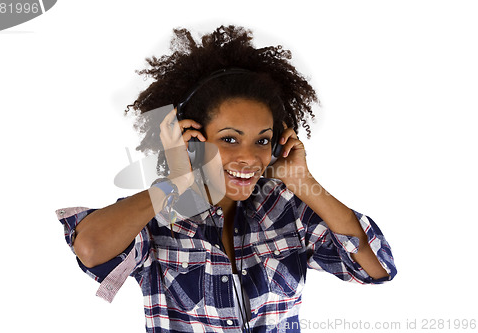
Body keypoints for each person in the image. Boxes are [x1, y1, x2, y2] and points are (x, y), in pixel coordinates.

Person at [55, 25, 396, 333]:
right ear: (192, 138)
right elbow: (90, 248)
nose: (249, 157)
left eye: (262, 140)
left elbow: (377, 268)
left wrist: (304, 181)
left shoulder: (286, 211)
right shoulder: (162, 216)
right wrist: (177, 181)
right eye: (230, 139)